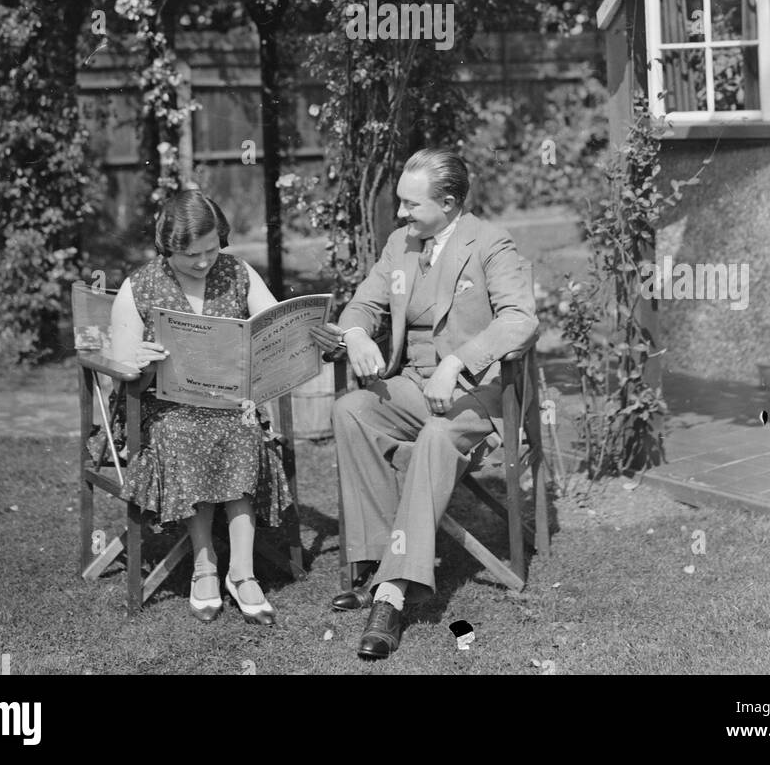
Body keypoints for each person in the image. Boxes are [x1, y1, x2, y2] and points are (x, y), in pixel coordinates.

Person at [311, 148, 538, 660]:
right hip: (414, 383)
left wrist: (458, 361)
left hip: (477, 395)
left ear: (450, 203)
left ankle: (391, 596)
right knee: (352, 410)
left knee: (437, 436)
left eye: (412, 204)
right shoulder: (401, 245)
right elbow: (365, 303)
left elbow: (521, 320)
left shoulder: (491, 244)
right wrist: (355, 334)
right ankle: (373, 559)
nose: (400, 214)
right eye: (400, 202)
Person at [110, 187, 291, 625]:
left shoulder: (238, 273)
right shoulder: (140, 285)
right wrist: (135, 362)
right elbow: (115, 362)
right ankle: (205, 565)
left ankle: (242, 573)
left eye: (211, 249)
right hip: (162, 407)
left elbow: (273, 327)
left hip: (229, 402)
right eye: (190, 254)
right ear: (166, 246)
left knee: (243, 430)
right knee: (186, 433)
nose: (203, 261)